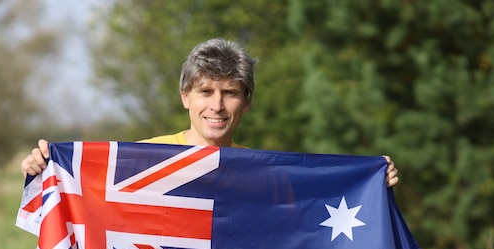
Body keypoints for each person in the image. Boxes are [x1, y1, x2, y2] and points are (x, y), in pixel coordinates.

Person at [20, 38, 399, 187]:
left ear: (246, 101)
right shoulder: (141, 160)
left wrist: (368, 183)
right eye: (206, 92)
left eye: (230, 93)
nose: (216, 106)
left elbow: (312, 218)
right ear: (185, 95)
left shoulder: (266, 172)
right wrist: (44, 167)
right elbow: (83, 190)